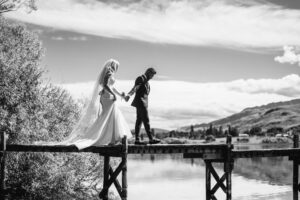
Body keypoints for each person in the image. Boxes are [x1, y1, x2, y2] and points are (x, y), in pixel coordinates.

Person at [59, 59, 132, 149]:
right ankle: (108, 138)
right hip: (107, 97)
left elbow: (112, 87)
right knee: (107, 116)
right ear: (113, 65)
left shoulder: (110, 72)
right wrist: (113, 94)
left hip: (108, 96)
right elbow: (104, 85)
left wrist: (120, 94)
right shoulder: (109, 72)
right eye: (117, 66)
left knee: (112, 116)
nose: (117, 68)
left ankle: (113, 140)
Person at [125, 68, 161, 145]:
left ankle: (137, 140)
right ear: (148, 73)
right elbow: (136, 87)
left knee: (139, 121)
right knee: (146, 120)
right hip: (141, 102)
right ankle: (151, 139)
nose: (152, 76)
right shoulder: (141, 78)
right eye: (152, 74)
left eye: (153, 75)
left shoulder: (148, 83)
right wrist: (129, 94)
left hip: (143, 103)